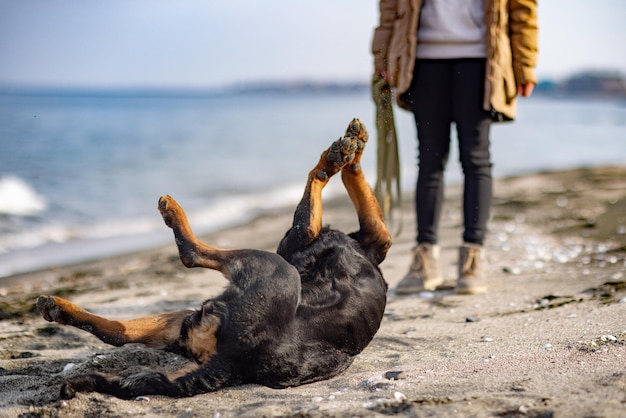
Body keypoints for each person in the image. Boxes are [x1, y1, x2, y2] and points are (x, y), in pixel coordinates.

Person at [372, 0, 538, 294]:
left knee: (476, 159)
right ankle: (425, 261)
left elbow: (522, 10)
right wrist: (382, 58)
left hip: (482, 59)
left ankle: (472, 259)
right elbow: (389, 9)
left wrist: (524, 65)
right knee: (429, 161)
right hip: (421, 59)